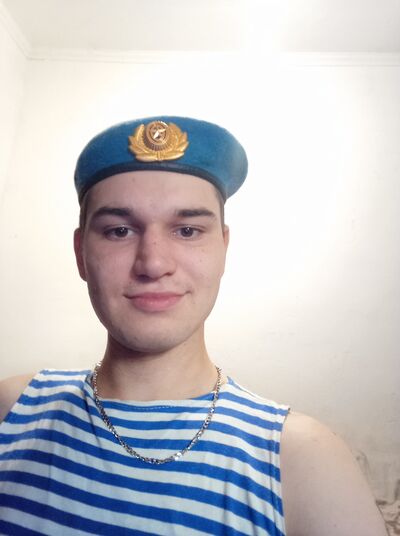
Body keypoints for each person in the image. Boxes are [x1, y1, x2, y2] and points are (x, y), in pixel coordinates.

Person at [0, 116, 387, 535]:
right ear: (80, 254)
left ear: (223, 248)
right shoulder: (12, 409)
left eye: (187, 230)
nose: (153, 263)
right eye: (119, 231)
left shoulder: (303, 461)